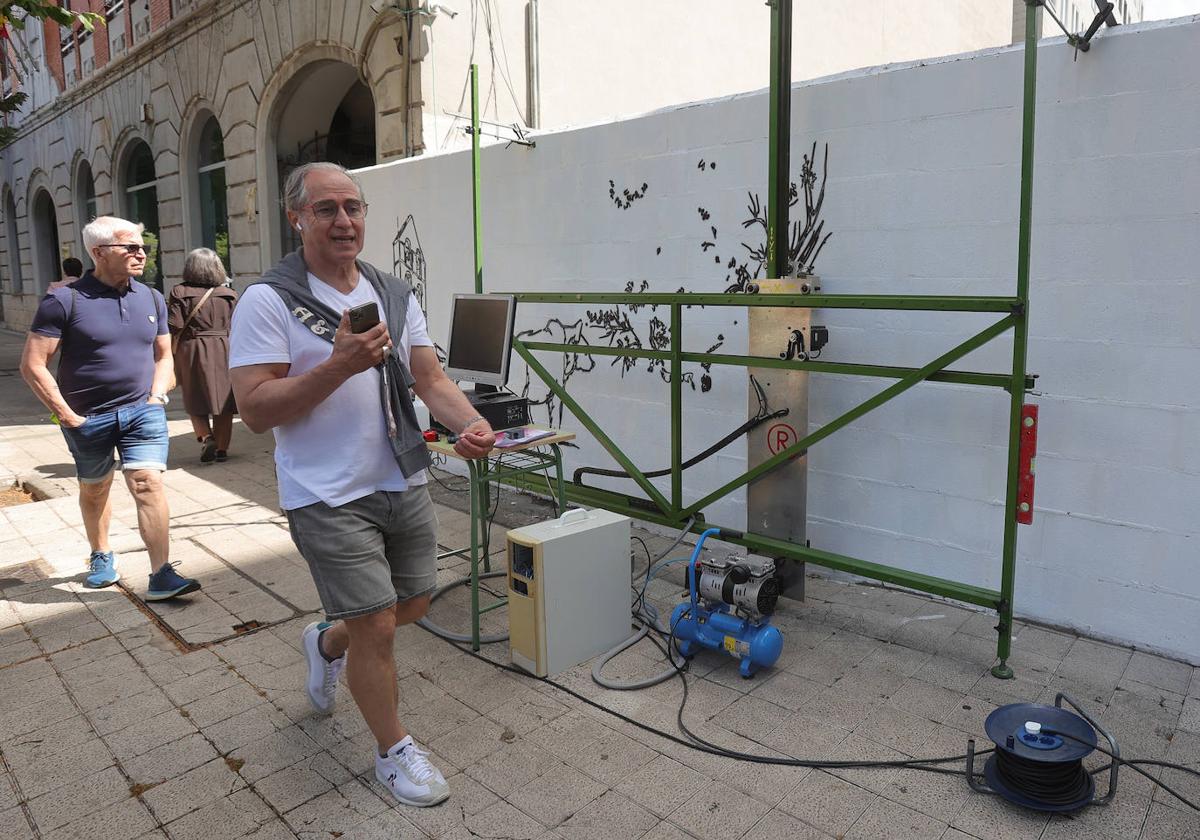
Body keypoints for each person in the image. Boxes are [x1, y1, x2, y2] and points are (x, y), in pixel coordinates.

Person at [229, 162, 496, 809]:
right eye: (326, 209)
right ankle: (394, 751)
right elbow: (257, 409)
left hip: (399, 476)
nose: (344, 220)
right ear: (297, 217)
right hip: (324, 492)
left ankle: (325, 642)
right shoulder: (269, 300)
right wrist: (337, 365)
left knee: (417, 604)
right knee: (377, 625)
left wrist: (474, 422)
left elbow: (429, 380)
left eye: (353, 207)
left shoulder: (393, 293)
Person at [19, 216, 201, 600]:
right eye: (130, 247)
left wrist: (157, 396)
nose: (141, 253)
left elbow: (164, 354)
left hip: (143, 411)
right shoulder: (63, 300)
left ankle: (162, 574)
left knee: (147, 483)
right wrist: (67, 416)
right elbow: (33, 364)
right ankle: (101, 554)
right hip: (88, 417)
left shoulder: (151, 297)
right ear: (99, 253)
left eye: (143, 247)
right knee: (96, 489)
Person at [168, 248, 238, 464]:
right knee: (223, 399)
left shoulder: (179, 292)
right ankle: (222, 450)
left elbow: (175, 324)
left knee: (194, 395)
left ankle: (206, 436)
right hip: (224, 347)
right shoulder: (229, 295)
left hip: (192, 348)